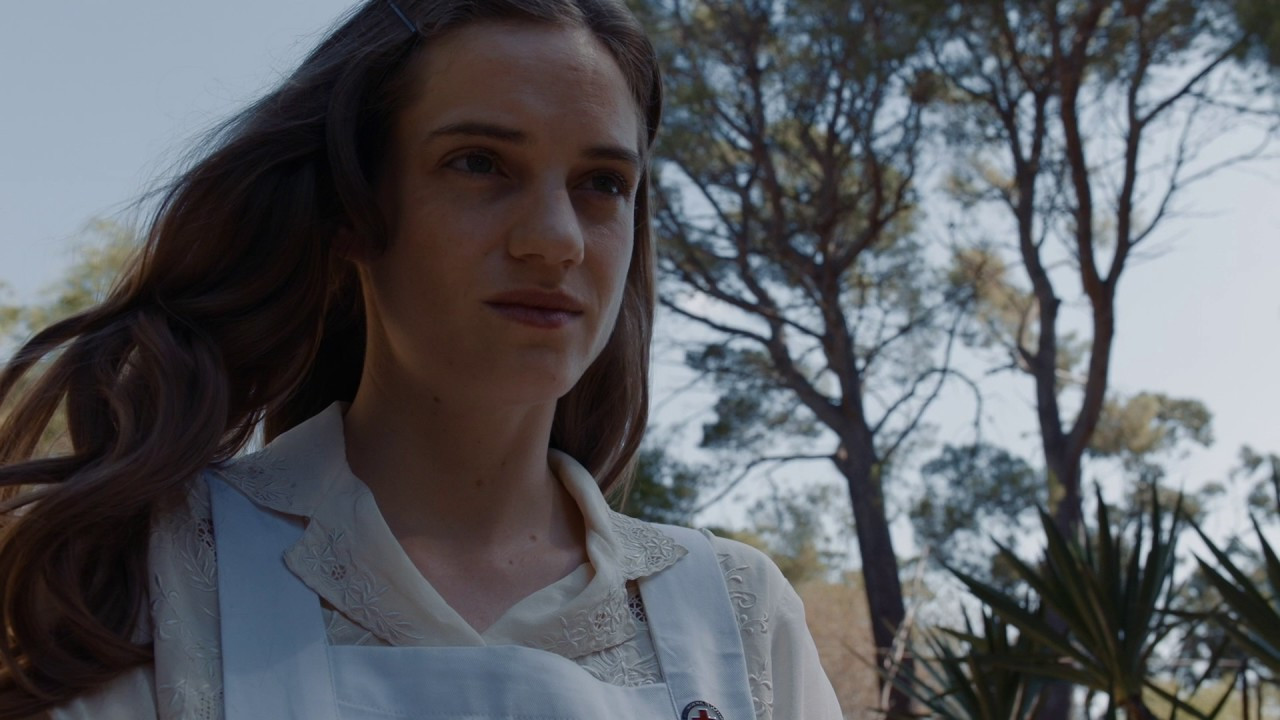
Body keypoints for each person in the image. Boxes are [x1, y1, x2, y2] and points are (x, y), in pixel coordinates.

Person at [0, 1, 843, 718]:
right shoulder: (151, 575)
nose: (555, 240)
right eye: (479, 164)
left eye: (602, 183)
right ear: (352, 210)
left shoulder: (738, 616)